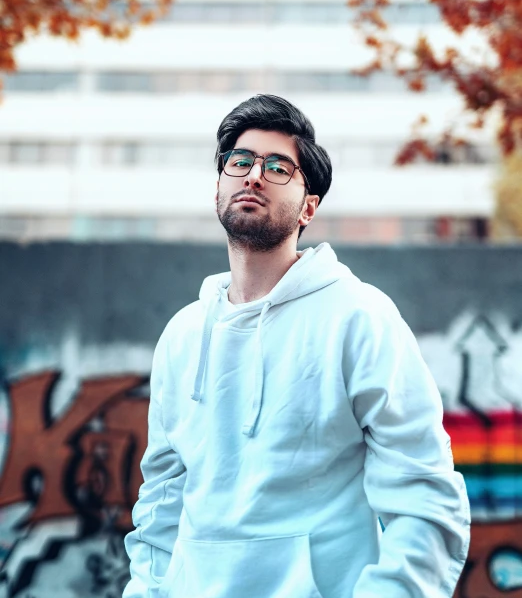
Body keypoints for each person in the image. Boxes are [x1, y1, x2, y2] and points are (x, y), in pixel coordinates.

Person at [122, 93, 470, 598]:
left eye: (278, 167)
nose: (254, 174)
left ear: (309, 206)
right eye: (239, 162)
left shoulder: (360, 317)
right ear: (219, 186)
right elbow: (161, 503)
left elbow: (426, 500)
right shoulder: (182, 335)